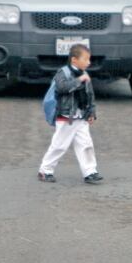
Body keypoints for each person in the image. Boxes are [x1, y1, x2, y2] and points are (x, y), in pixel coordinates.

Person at [38, 44, 103, 185]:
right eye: (85, 59)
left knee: (86, 144)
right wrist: (79, 81)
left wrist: (91, 112)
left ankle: (90, 172)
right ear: (74, 60)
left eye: (89, 59)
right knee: (59, 145)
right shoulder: (63, 73)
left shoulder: (85, 75)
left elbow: (90, 95)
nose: (89, 62)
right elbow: (62, 88)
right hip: (66, 116)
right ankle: (45, 170)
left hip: (81, 117)